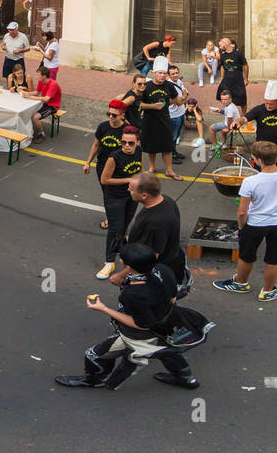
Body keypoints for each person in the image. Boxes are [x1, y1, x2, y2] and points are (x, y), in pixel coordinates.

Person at [57, 244, 200, 391]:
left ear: (127, 265)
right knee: (167, 351)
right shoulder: (164, 270)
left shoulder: (133, 294)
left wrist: (104, 309)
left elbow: (143, 324)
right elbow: (172, 299)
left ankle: (96, 379)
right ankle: (187, 379)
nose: (120, 260)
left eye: (122, 259)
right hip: (168, 325)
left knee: (94, 356)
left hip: (142, 335)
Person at [213, 141, 277, 301]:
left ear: (258, 160)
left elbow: (242, 211)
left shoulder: (250, 181)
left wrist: (241, 225)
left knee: (246, 256)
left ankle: (240, 283)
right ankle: (268, 291)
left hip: (254, 224)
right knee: (274, 260)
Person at [92, 121, 145, 278]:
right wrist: (129, 180)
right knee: (115, 229)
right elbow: (104, 180)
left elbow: (139, 167)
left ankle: (123, 255)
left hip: (132, 196)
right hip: (114, 197)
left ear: (138, 143)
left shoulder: (139, 151)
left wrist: (142, 180)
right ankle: (109, 262)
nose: (126, 145)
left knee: (124, 227)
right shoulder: (114, 157)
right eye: (123, 142)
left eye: (130, 143)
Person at [122, 173, 186, 291]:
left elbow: (149, 257)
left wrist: (121, 275)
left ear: (144, 195)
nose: (128, 190)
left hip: (157, 273)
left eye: (131, 190)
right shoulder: (165, 200)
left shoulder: (155, 223)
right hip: (173, 259)